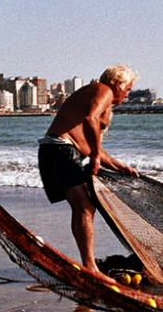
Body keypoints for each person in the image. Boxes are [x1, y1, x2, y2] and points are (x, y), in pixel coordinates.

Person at [38, 65, 140, 278]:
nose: (128, 94)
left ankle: (88, 264)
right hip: (59, 149)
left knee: (84, 206)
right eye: (128, 89)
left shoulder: (102, 99)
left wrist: (118, 166)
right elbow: (90, 118)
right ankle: (90, 268)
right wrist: (94, 155)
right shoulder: (103, 89)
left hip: (56, 150)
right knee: (84, 205)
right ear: (118, 84)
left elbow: (87, 145)